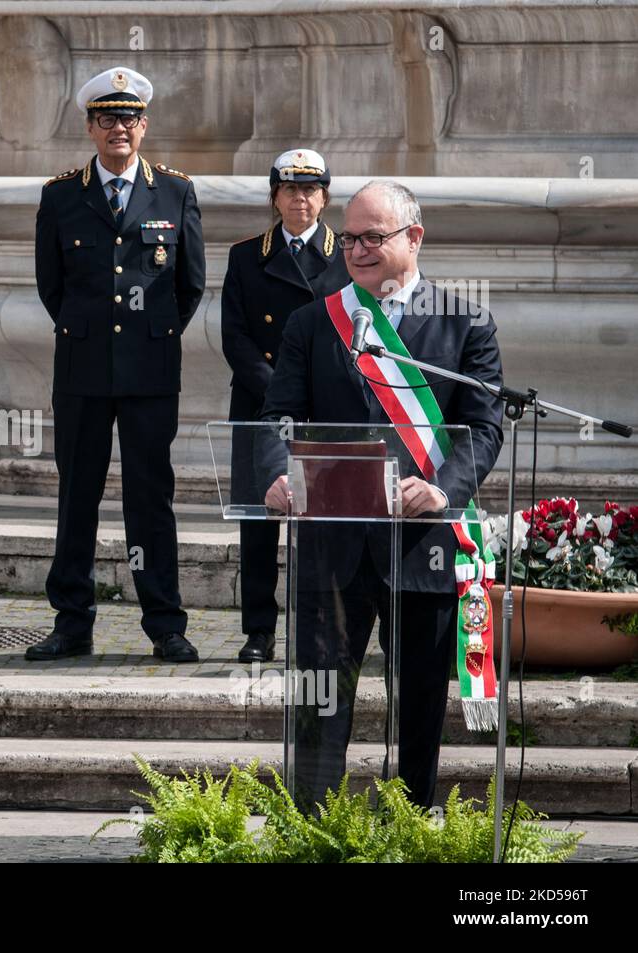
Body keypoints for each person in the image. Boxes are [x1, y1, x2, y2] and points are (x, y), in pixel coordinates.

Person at [256, 180, 505, 810]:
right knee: (319, 702)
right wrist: (275, 476)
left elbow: (482, 425)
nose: (359, 249)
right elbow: (278, 417)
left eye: (375, 236)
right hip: (329, 546)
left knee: (419, 703)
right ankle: (311, 830)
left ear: (413, 237)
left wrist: (444, 490)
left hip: (419, 546)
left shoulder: (464, 321)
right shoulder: (315, 322)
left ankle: (412, 824)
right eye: (350, 238)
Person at [29, 66, 206, 663]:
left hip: (150, 372)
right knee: (76, 495)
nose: (119, 129)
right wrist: (94, 334)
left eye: (129, 119)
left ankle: (165, 624)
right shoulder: (60, 195)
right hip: (81, 369)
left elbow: (190, 285)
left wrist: (150, 336)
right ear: (90, 127)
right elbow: (51, 286)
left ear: (144, 125)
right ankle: (71, 622)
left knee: (150, 498)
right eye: (107, 119)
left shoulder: (176, 192)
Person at [221, 148, 349, 664]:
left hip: (328, 408)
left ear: (324, 198)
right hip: (262, 408)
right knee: (259, 521)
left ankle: (326, 628)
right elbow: (235, 337)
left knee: (327, 524)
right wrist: (281, 394)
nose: (301, 198)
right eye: (291, 188)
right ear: (274, 196)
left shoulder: (347, 256)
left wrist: (312, 394)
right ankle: (259, 630)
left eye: (311, 189)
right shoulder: (246, 255)